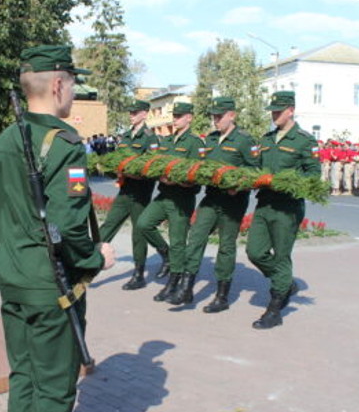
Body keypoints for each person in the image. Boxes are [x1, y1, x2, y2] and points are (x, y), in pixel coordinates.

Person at [0, 45, 115, 412]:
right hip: (51, 287)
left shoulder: (6, 138)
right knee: (56, 388)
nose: (74, 92)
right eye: (73, 83)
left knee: (24, 376)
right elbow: (69, 227)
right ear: (58, 84)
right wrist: (98, 258)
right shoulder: (64, 144)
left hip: (14, 279)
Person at [166, 97, 258, 311]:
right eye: (213, 116)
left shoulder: (244, 140)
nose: (215, 120)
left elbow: (255, 171)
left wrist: (239, 184)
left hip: (233, 201)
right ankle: (186, 290)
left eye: (219, 116)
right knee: (196, 237)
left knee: (226, 246)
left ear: (232, 115)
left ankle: (222, 297)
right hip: (212, 197)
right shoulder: (210, 139)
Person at [246, 91, 320, 330]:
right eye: (273, 111)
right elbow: (256, 168)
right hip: (265, 204)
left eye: (278, 111)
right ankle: (285, 282)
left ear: (291, 110)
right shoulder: (266, 139)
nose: (274, 115)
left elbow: (313, 175)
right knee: (254, 251)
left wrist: (283, 181)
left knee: (281, 255)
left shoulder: (304, 140)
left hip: (287, 207)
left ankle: (275, 309)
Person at [135, 102, 204, 302]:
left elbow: (197, 176)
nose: (175, 119)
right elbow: (157, 164)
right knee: (143, 224)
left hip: (181, 199)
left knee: (178, 242)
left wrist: (179, 181)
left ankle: (174, 282)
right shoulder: (167, 141)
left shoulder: (194, 143)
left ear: (189, 118)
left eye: (180, 116)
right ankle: (164, 253)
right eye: (174, 115)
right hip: (164, 195)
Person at [98, 99, 163, 290]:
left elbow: (152, 166)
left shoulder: (150, 138)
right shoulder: (126, 136)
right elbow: (118, 159)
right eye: (130, 112)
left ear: (144, 113)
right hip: (125, 188)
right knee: (109, 224)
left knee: (138, 232)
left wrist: (132, 171)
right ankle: (90, 261)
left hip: (140, 191)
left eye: (135, 112)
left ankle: (138, 273)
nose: (131, 115)